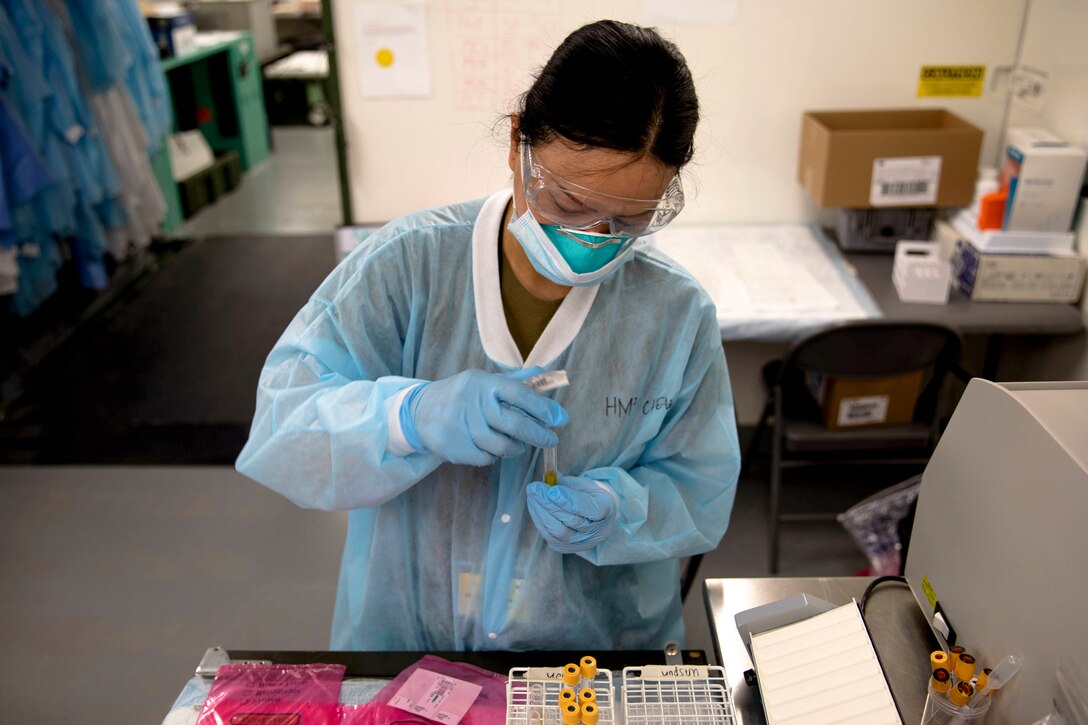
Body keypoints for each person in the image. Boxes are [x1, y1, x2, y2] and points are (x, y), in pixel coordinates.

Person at [236, 19, 740, 652]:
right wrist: (408, 416)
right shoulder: (407, 266)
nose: (589, 243)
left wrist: (621, 510)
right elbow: (284, 425)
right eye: (568, 203)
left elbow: (699, 486)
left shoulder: (674, 314)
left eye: (628, 221)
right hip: (410, 647)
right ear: (516, 144)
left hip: (591, 657)